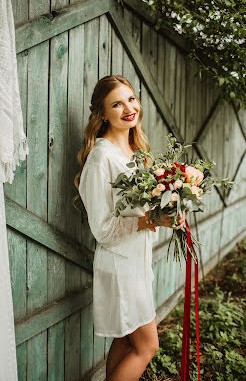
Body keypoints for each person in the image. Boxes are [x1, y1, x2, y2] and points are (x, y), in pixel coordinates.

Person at [74, 75, 185, 381]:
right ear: (102, 114)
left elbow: (140, 210)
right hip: (119, 267)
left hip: (137, 262)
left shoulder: (135, 154)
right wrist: (149, 220)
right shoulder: (101, 158)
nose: (128, 108)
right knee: (147, 346)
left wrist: (171, 207)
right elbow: (103, 228)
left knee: (126, 340)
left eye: (131, 99)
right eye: (116, 104)